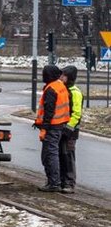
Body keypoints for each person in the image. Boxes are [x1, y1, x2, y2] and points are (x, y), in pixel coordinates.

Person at [33, 63, 70, 192]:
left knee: (49, 155)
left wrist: (44, 128)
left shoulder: (51, 89)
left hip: (52, 127)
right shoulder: (60, 86)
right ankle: (54, 181)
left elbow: (49, 111)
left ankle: (54, 183)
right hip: (60, 125)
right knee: (51, 154)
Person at [60, 64, 83, 193]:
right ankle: (63, 180)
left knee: (68, 156)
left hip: (71, 131)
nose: (61, 77)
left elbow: (76, 113)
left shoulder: (75, 92)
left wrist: (69, 127)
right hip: (63, 128)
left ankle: (69, 183)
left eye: (63, 75)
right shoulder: (64, 90)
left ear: (69, 78)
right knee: (62, 155)